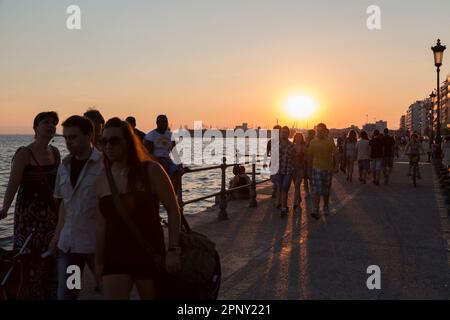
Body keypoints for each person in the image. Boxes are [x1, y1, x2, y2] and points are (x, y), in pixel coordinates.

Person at [95, 118, 181, 300]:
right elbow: (101, 224)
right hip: (114, 254)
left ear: (129, 141)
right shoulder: (102, 178)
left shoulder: (151, 170)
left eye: (114, 140)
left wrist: (173, 249)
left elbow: (173, 210)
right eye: (104, 141)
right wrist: (99, 262)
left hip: (148, 252)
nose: (108, 146)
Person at [0, 112, 60, 299]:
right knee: (29, 257)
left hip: (52, 214)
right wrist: (4, 210)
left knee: (51, 255)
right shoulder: (24, 153)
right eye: (46, 122)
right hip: (29, 215)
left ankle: (49, 293)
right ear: (35, 127)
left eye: (53, 123)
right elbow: (13, 184)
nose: (51, 126)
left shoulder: (56, 153)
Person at [48, 115, 103, 300]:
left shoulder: (104, 165)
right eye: (65, 138)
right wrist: (57, 235)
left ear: (89, 136)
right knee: (68, 294)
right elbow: (65, 202)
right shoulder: (64, 166)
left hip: (97, 245)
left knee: (109, 291)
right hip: (70, 246)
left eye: (73, 137)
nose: (68, 142)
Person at [306, 123, 338, 219]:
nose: (319, 133)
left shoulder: (329, 142)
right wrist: (308, 169)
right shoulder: (313, 142)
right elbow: (309, 157)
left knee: (326, 191)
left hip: (328, 170)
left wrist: (336, 166)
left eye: (321, 131)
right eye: (318, 131)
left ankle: (326, 206)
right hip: (316, 169)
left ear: (325, 131)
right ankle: (315, 209)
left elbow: (336, 154)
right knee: (316, 190)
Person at [144, 115, 181, 193]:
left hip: (167, 160)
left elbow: (174, 152)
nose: (164, 124)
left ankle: (174, 195)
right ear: (157, 123)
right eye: (162, 122)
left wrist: (179, 164)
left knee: (177, 171)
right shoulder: (151, 136)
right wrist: (159, 162)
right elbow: (148, 155)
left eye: (165, 122)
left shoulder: (170, 135)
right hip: (155, 161)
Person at [274, 126, 296, 216]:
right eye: (282, 132)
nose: (284, 134)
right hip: (278, 170)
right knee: (280, 188)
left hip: (288, 170)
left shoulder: (292, 146)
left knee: (285, 188)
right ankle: (283, 205)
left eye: (286, 132)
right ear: (280, 133)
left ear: (288, 134)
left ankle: (283, 208)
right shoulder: (276, 144)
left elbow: (294, 158)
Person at [264, 125, 282, 198]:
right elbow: (267, 153)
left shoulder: (283, 141)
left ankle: (276, 192)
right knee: (274, 179)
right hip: (273, 162)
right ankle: (275, 190)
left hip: (282, 163)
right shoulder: (270, 142)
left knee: (279, 179)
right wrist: (264, 162)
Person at [292, 132, 306, 210]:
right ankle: (299, 198)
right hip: (293, 168)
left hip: (301, 168)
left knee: (297, 184)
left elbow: (306, 157)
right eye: (297, 137)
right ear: (294, 138)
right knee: (295, 184)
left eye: (300, 137)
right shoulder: (292, 146)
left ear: (302, 138)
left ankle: (295, 202)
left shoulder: (303, 146)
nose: (298, 138)